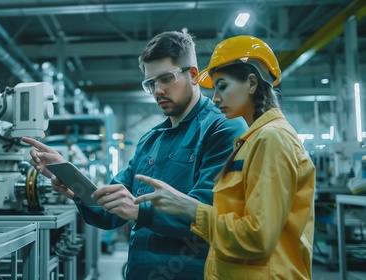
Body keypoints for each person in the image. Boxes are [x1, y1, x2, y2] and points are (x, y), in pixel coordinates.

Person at [22, 28, 247, 280]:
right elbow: (109, 211)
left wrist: (141, 213)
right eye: (150, 83)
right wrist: (73, 183)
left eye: (166, 79)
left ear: (193, 75)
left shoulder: (224, 128)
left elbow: (210, 214)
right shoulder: (150, 141)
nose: (157, 91)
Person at [134, 35, 316, 279]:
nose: (215, 98)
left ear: (251, 83)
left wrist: (191, 209)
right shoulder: (251, 141)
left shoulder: (272, 139)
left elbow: (257, 237)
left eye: (222, 86)